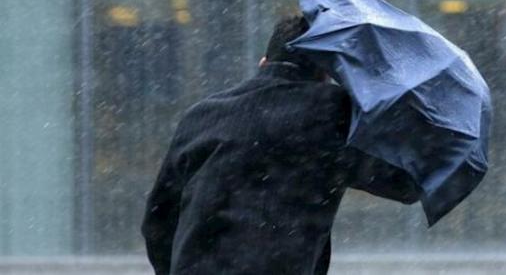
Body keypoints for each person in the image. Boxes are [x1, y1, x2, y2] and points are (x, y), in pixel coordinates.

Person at [141, 15, 420, 275]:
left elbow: (158, 220)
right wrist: (398, 110)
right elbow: (407, 184)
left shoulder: (202, 115)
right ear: (325, 75)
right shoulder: (334, 113)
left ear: (264, 62)